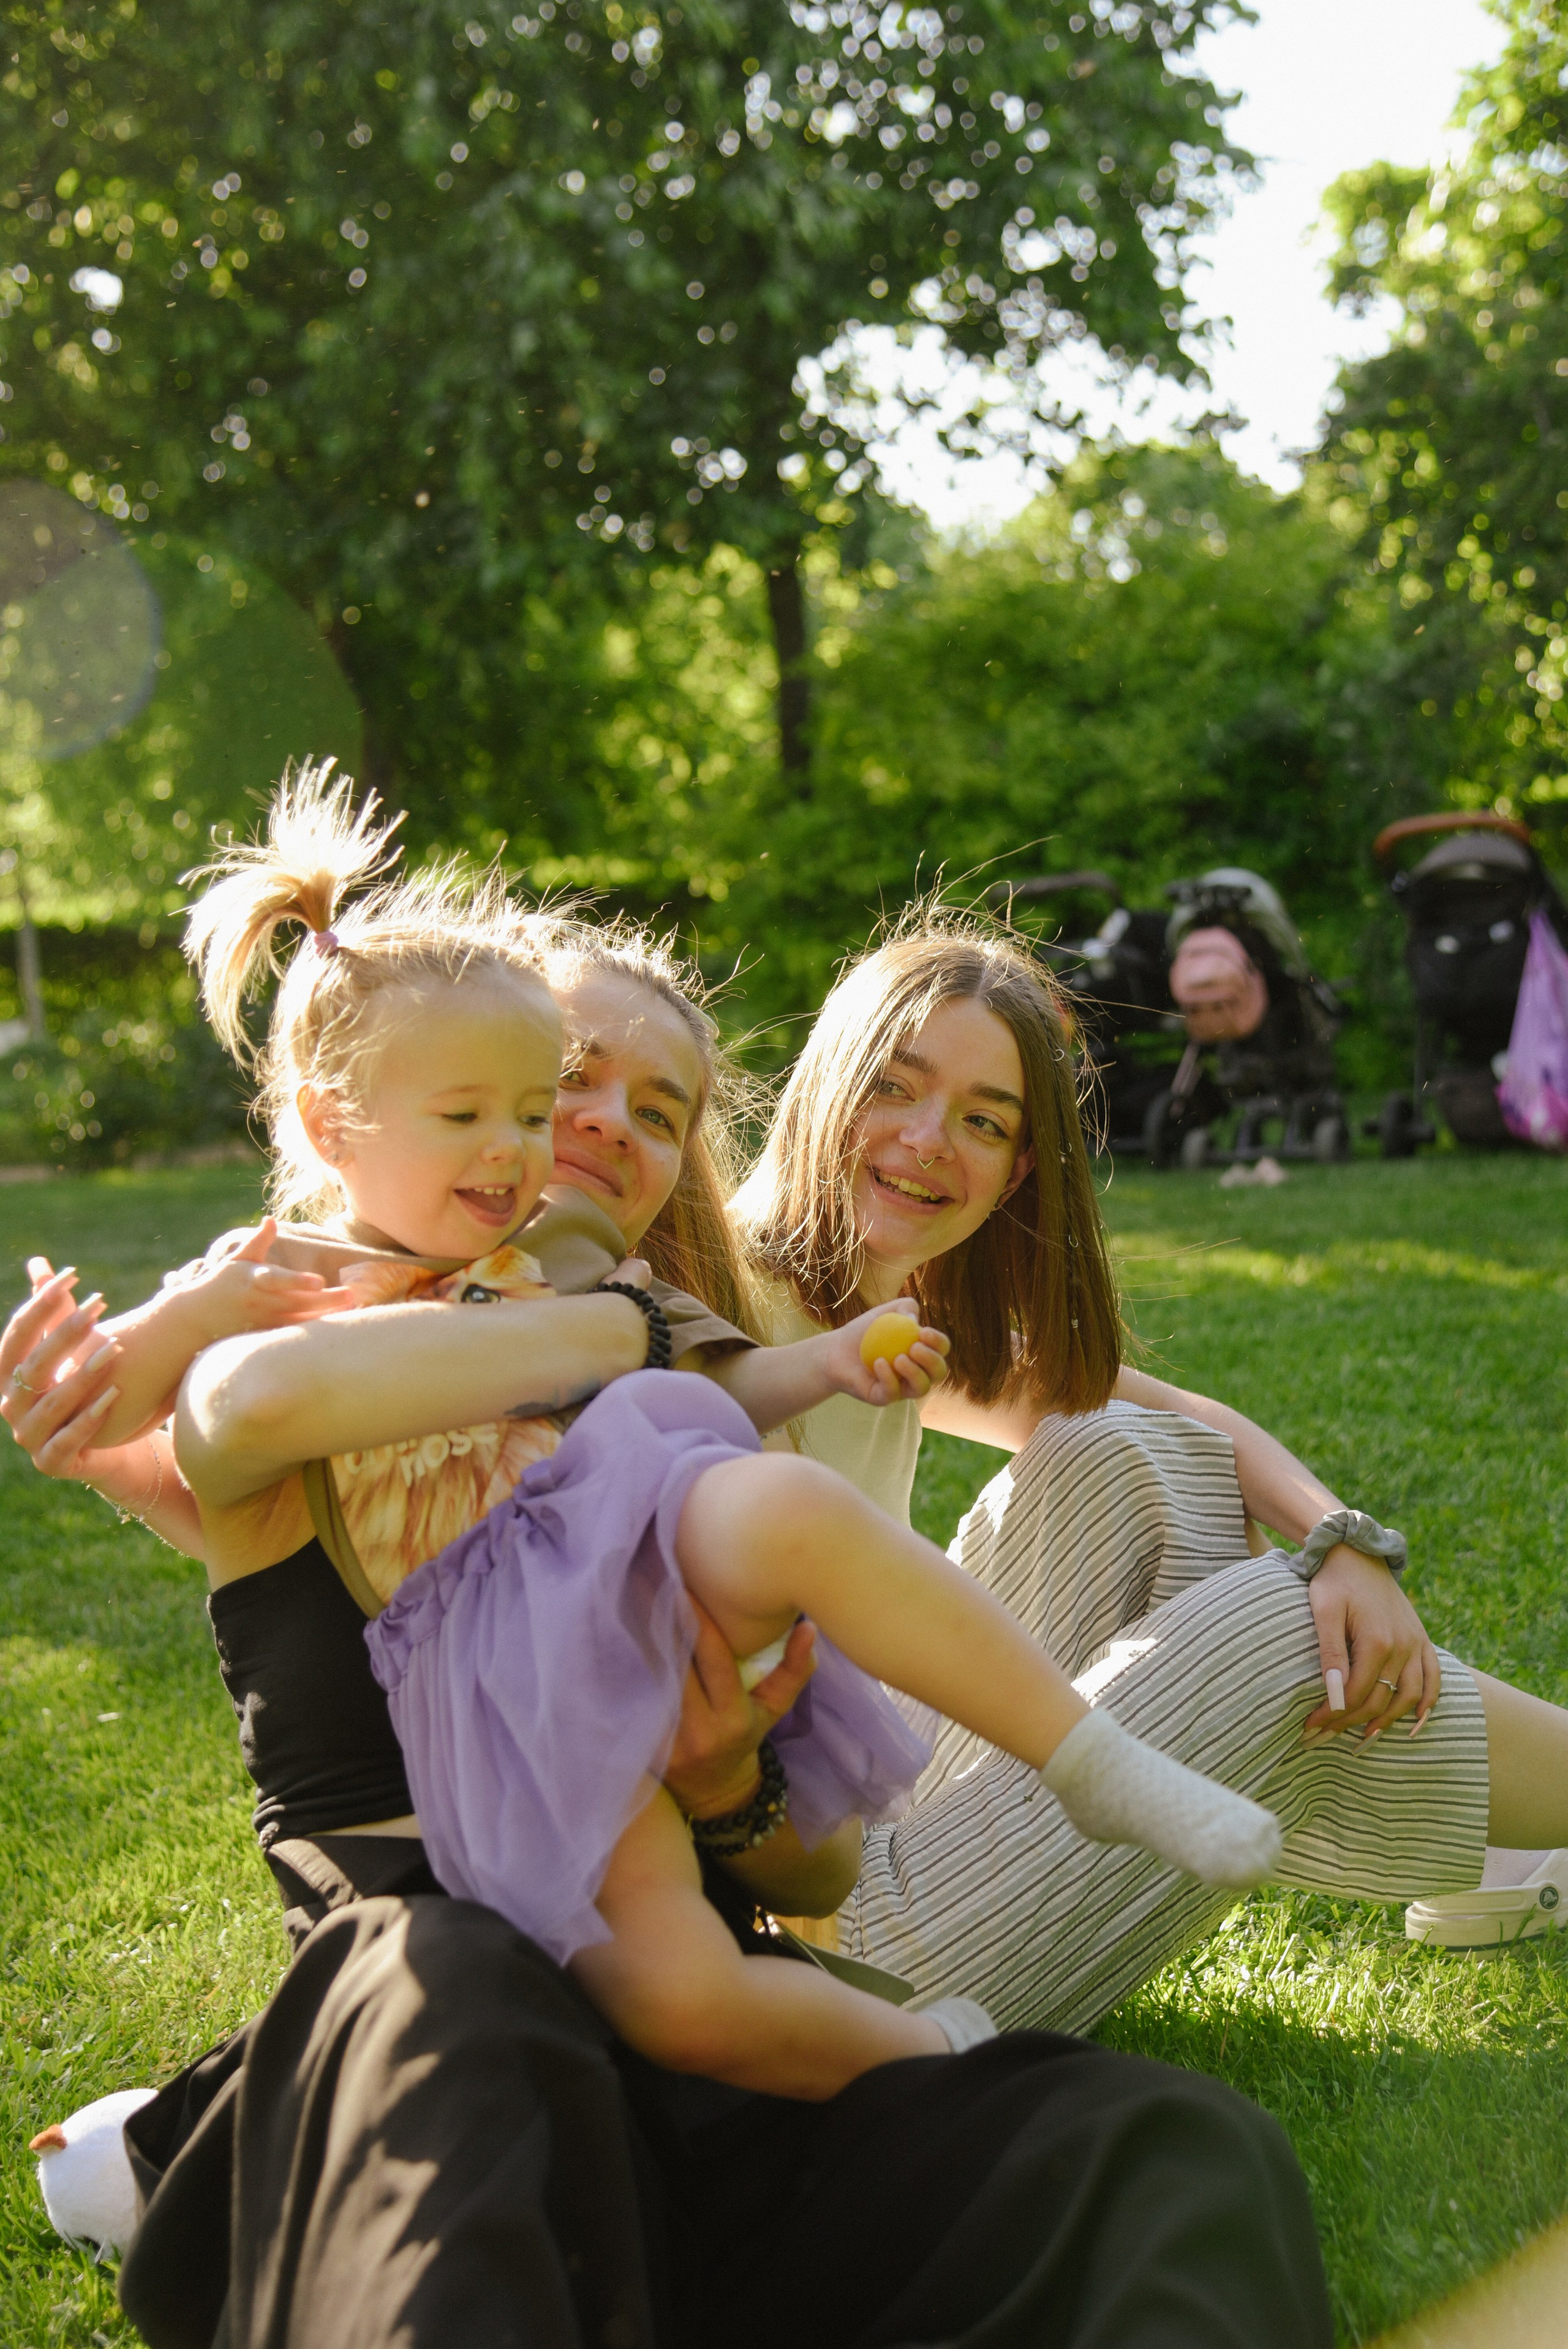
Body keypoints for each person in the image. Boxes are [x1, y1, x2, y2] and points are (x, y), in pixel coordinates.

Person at [6, 816, 1335, 2345]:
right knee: (453, 1995)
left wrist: (728, 1789)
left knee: (1170, 2148)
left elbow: (820, 1882)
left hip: (715, 2042)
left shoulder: (661, 1434)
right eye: (551, 1083)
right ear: (371, 1106)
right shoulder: (318, 1347)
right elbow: (231, 1415)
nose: (569, 1134)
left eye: (655, 1109)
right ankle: (178, 2139)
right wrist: (163, 1348)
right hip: (458, 2016)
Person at [718, 910, 1568, 2025]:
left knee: (1122, 1457)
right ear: (827, 1075)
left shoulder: (885, 1321)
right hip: (833, 1948)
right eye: (896, 1084)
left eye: (983, 1120)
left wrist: (1348, 1543)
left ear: (1019, 1171)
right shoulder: (715, 1310)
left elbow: (1190, 1422)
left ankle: (1509, 1834)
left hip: (876, 1819)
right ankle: (1516, 1833)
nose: (931, 1139)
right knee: (1269, 1630)